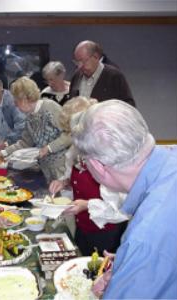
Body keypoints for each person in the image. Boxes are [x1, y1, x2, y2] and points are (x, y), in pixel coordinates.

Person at [71, 100, 177, 298]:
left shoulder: (144, 238)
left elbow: (152, 243)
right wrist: (129, 262)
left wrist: (138, 259)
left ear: (97, 166)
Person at [48, 97, 129, 256]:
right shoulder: (76, 149)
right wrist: (64, 182)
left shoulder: (110, 156)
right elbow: (76, 178)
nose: (74, 139)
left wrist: (86, 205)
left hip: (107, 233)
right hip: (83, 228)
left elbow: (120, 208)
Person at [0, 76, 71, 183]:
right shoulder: (30, 116)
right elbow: (25, 142)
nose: (15, 106)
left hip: (62, 168)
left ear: (25, 99)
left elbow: (70, 134)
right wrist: (3, 153)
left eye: (16, 102)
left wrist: (49, 148)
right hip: (45, 168)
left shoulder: (50, 107)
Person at [69, 40, 135, 107]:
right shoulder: (76, 76)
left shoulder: (114, 76)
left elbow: (129, 106)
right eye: (77, 62)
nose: (80, 66)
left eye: (83, 61)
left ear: (96, 57)